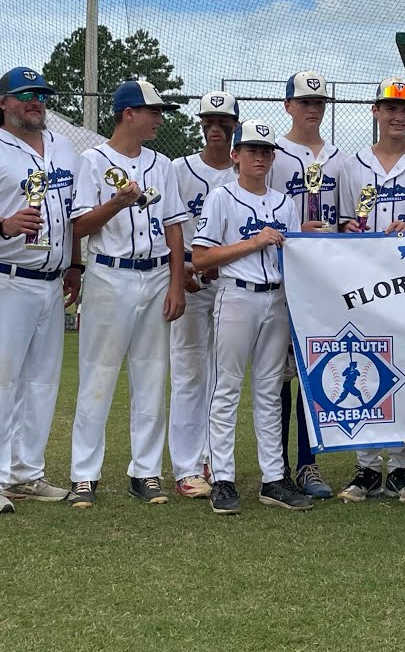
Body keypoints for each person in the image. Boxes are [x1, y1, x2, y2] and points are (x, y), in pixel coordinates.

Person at [0, 66, 83, 514]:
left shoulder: (64, 149)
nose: (35, 101)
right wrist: (4, 225)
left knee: (42, 383)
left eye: (42, 94)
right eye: (25, 93)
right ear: (3, 102)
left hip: (51, 281)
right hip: (4, 277)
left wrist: (74, 264)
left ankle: (26, 473)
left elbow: (72, 215)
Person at [66, 80, 188, 508]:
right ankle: (84, 474)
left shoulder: (163, 164)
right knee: (97, 375)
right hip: (109, 274)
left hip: (155, 275)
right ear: (127, 113)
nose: (159, 118)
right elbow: (77, 227)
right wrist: (117, 203)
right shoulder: (91, 161)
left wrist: (176, 283)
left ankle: (147, 471)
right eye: (152, 110)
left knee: (153, 375)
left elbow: (174, 226)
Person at [191, 119, 313, 515]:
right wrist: (252, 242)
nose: (258, 156)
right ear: (235, 156)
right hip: (236, 296)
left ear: (273, 157)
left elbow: (297, 259)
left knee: (268, 391)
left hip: (276, 299)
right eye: (251, 150)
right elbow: (201, 258)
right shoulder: (220, 197)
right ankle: (222, 479)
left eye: (265, 151)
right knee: (226, 390)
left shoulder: (285, 204)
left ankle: (273, 479)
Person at [335, 77, 405, 503]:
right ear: (375, 112)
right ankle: (368, 466)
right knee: (365, 364)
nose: (398, 116)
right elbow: (337, 223)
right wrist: (347, 227)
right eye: (390, 108)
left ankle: (403, 469)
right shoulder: (351, 164)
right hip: (363, 281)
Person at [267, 71, 343, 500]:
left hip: (320, 280)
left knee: (313, 372)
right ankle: (275, 464)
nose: (313, 108)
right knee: (277, 376)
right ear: (288, 106)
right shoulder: (271, 154)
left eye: (320, 102)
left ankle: (308, 464)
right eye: (305, 101)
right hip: (278, 275)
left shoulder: (339, 159)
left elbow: (352, 216)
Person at [167, 90, 239, 499]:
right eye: (208, 121)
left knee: (222, 377)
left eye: (223, 122)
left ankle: (215, 457)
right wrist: (180, 273)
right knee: (189, 374)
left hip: (228, 283)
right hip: (192, 285)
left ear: (234, 127)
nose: (215, 127)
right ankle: (187, 465)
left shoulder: (241, 170)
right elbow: (166, 225)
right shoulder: (180, 169)